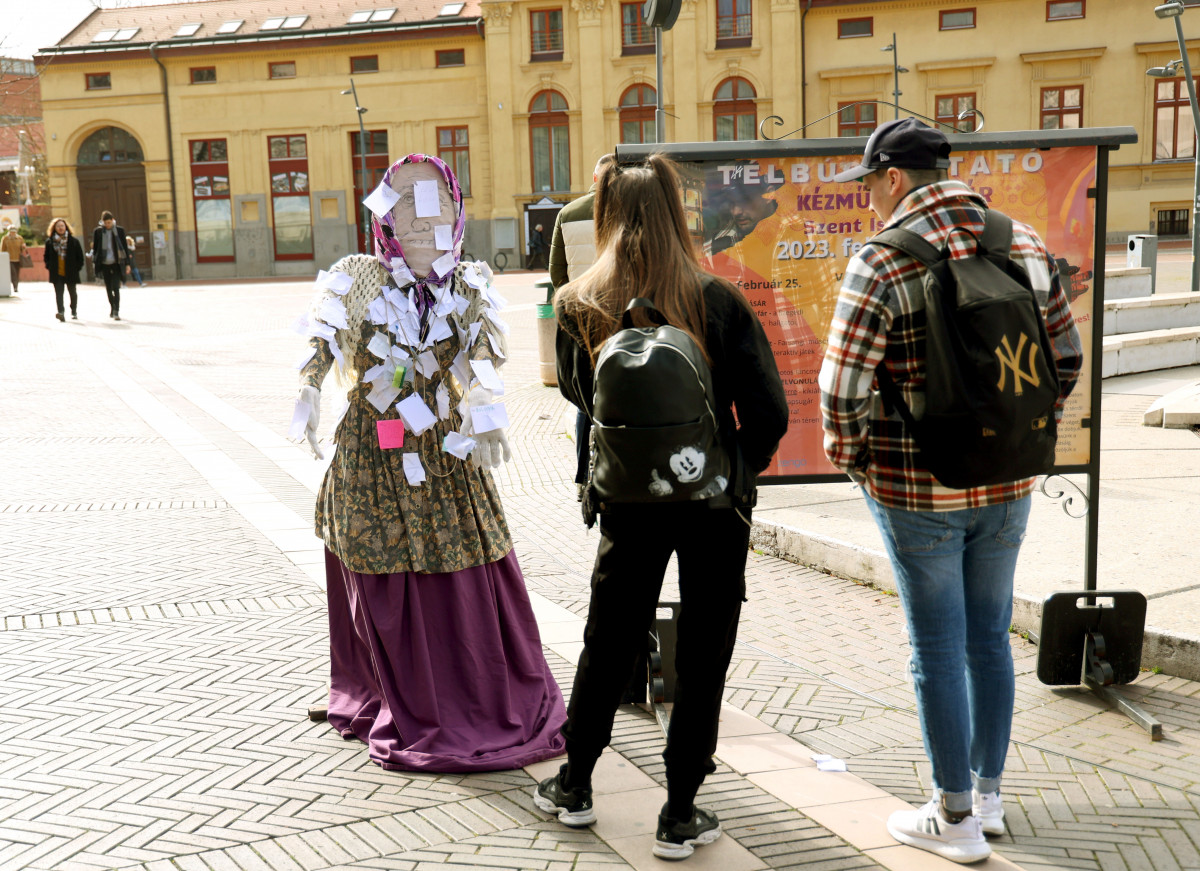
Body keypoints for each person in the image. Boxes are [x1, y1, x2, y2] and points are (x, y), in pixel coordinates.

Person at [819, 118, 1083, 864]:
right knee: (988, 635)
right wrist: (1016, 428)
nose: (869, 198)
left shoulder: (880, 260)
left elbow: (841, 387)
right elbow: (1065, 354)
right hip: (1009, 479)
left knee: (936, 645)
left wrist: (854, 457)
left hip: (916, 487)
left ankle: (954, 816)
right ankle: (990, 795)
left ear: (895, 178)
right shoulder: (1021, 240)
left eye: (870, 183)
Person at [539, 154, 788, 859]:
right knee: (706, 649)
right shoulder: (716, 299)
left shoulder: (579, 302)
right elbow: (768, 410)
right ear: (679, 215)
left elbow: (578, 395)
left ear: (606, 213)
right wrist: (731, 469)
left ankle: (576, 782)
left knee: (609, 638)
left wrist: (636, 444)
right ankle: (680, 811)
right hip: (714, 506)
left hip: (627, 498)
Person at [292, 152, 566, 772]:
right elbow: (321, 344)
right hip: (371, 454)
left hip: (444, 457)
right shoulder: (354, 277)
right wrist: (309, 392)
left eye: (434, 201)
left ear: (455, 209)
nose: (420, 218)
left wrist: (488, 416)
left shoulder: (469, 281)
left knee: (464, 561)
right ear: (384, 216)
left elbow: (486, 361)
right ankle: (383, 688)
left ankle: (466, 690)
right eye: (406, 203)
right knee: (376, 560)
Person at [548, 154, 616, 500]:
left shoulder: (568, 213)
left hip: (582, 320)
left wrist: (573, 301)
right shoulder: (623, 210)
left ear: (593, 176)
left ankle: (582, 477)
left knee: (584, 402)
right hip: (618, 318)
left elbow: (556, 274)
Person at [90, 211, 130, 320]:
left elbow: (125, 248)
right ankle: (112, 307)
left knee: (116, 287)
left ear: (112, 220)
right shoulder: (98, 232)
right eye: (106, 223)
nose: (108, 225)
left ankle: (117, 310)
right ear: (102, 222)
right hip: (104, 263)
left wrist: (127, 264)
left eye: (109, 222)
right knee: (108, 288)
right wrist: (95, 262)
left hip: (117, 263)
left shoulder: (120, 231)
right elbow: (96, 249)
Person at [43, 218, 85, 322]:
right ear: (54, 228)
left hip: (71, 271)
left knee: (72, 292)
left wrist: (77, 268)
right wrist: (49, 266)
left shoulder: (73, 241)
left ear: (66, 227)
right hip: (57, 272)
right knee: (59, 293)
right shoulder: (50, 242)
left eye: (62, 226)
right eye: (58, 226)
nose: (60, 228)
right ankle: (61, 312)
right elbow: (46, 256)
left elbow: (80, 257)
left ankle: (74, 310)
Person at [2, 225, 27, 292]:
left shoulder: (19, 238)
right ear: (9, 232)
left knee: (17, 273)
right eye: (11, 232)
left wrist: (24, 247)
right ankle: (15, 287)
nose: (12, 233)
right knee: (13, 273)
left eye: (14, 232)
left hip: (18, 259)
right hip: (9, 260)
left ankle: (16, 286)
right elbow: (2, 249)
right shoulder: (5, 238)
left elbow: (22, 249)